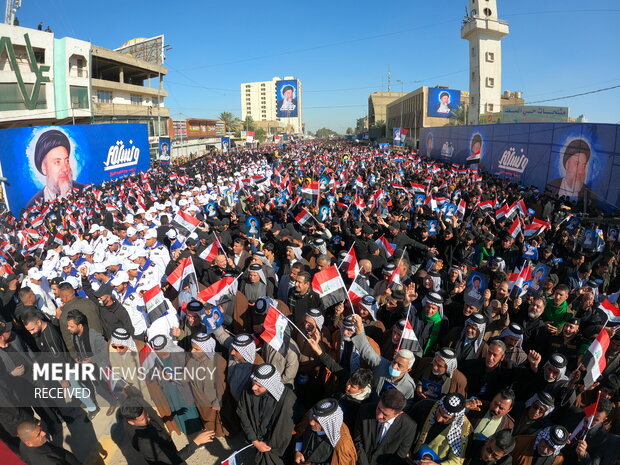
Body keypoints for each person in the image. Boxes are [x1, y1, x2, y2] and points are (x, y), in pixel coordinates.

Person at [120, 397, 215, 465]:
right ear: (131, 422)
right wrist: (196, 442)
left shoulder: (131, 418)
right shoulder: (146, 444)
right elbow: (174, 459)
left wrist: (173, 414)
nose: (148, 419)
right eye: (142, 419)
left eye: (147, 415)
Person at [237, 363, 296, 465]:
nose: (253, 388)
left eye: (259, 385)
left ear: (270, 385)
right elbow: (243, 414)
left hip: (273, 448)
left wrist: (266, 446)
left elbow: (283, 431)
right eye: (253, 383)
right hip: (256, 439)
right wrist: (255, 441)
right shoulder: (249, 390)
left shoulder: (286, 399)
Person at [353, 389, 417, 465]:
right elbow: (357, 441)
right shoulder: (365, 410)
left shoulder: (409, 427)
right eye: (378, 409)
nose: (379, 416)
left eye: (385, 414)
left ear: (398, 414)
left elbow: (400, 455)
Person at [25, 129, 85, 209]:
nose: (65, 169)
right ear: (44, 168)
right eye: (57, 162)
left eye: (67, 161)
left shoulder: (85, 192)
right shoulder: (33, 206)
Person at [294, 398, 357, 465]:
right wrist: (298, 451)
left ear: (329, 423)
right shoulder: (309, 421)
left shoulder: (342, 446)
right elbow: (300, 436)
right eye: (312, 417)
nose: (311, 422)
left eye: (317, 421)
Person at [546, 138, 595, 203]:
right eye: (577, 163)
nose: (581, 171)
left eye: (584, 166)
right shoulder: (552, 186)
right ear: (567, 164)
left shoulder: (588, 193)